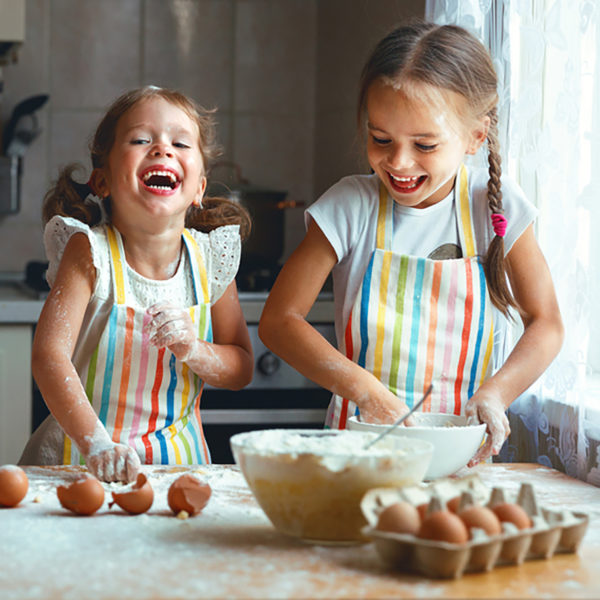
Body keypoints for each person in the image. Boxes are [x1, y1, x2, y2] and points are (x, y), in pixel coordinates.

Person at [259, 22, 564, 466]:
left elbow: (547, 323)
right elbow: (279, 321)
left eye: (424, 144)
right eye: (380, 139)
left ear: (476, 136)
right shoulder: (350, 205)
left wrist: (496, 394)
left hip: (461, 455)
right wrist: (368, 393)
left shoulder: (493, 206)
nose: (398, 162)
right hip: (359, 450)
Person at [20, 86, 254, 482]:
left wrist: (194, 349)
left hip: (179, 468)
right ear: (102, 180)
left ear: (199, 187)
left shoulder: (209, 261)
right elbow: (49, 358)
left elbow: (241, 367)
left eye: (180, 142)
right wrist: (95, 443)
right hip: (80, 461)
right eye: (141, 140)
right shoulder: (89, 252)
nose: (162, 149)